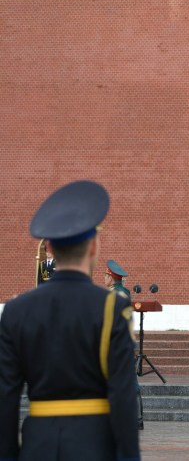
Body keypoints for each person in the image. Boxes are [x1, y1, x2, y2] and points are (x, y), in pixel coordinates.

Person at [0, 180, 140, 460]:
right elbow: (123, 395)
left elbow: (6, 396)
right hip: (95, 446)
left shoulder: (16, 311)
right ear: (92, 247)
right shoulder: (113, 308)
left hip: (37, 446)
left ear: (49, 248)